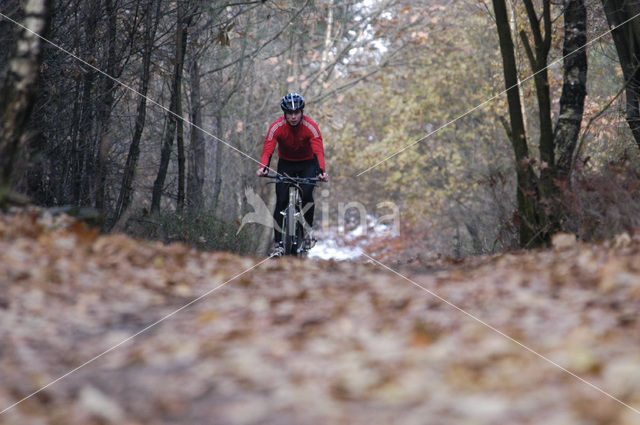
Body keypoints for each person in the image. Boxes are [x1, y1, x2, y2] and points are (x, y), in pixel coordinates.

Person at [257, 93, 329, 256]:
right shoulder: (277, 127)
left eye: (297, 113)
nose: (294, 117)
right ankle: (278, 244)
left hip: (308, 164)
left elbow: (318, 151)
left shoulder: (311, 127)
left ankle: (307, 234)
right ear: (285, 114)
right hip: (286, 164)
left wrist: (321, 172)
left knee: (307, 197)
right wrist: (263, 167)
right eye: (290, 113)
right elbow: (268, 148)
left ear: (302, 112)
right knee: (281, 200)